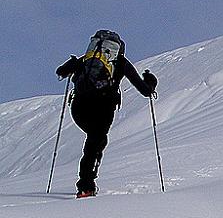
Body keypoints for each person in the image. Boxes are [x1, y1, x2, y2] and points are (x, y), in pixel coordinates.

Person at [55, 30, 158, 198]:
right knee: (96, 142)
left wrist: (72, 65)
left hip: (79, 107)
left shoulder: (86, 59)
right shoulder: (121, 63)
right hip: (103, 107)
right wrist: (151, 82)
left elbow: (61, 71)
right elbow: (144, 90)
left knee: (93, 140)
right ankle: (86, 186)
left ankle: (86, 184)